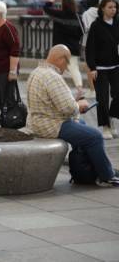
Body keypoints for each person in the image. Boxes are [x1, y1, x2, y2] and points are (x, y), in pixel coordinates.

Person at [27, 44, 119, 187]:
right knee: (94, 136)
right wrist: (80, 105)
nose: (67, 66)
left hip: (38, 121)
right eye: (67, 62)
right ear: (60, 59)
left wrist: (73, 104)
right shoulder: (52, 77)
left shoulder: (37, 71)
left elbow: (53, 103)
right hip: (51, 125)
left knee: (81, 126)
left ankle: (84, 171)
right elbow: (68, 108)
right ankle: (107, 176)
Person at [86, 0, 119, 140]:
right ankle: (105, 127)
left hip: (116, 66)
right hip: (100, 68)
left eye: (115, 7)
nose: (113, 10)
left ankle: (111, 117)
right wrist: (92, 68)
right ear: (103, 9)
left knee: (118, 95)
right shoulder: (96, 26)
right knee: (102, 98)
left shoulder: (118, 23)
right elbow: (90, 49)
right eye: (110, 7)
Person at [44, 0, 84, 98]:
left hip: (60, 48)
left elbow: (45, 7)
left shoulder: (58, 15)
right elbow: (81, 32)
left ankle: (57, 91)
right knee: (74, 68)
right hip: (73, 47)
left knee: (56, 69)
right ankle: (79, 89)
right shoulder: (78, 17)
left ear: (63, 4)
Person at [81, 0, 99, 98]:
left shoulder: (86, 14)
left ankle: (92, 89)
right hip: (101, 42)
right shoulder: (102, 12)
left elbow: (86, 28)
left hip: (88, 42)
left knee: (89, 66)